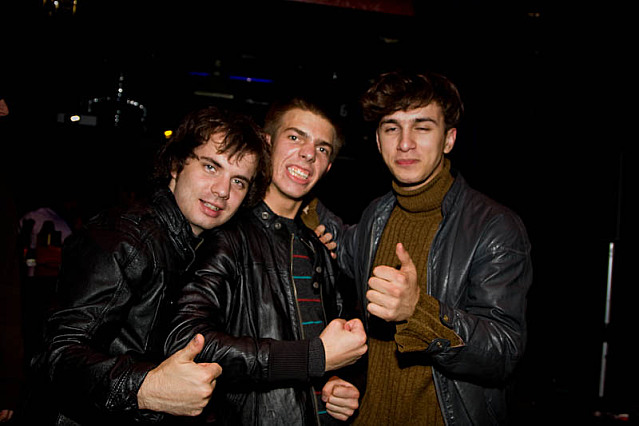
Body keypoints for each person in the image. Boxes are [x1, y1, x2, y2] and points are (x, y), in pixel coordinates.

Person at [28, 106, 272, 425]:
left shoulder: (197, 248)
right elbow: (55, 358)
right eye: (211, 167)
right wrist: (146, 388)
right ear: (176, 165)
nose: (223, 191)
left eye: (238, 181)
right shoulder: (126, 239)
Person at [317, 70, 533, 425]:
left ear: (449, 139)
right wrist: (287, 183)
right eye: (392, 128)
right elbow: (339, 240)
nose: (405, 143)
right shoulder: (376, 215)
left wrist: (418, 312)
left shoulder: (494, 226)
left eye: (422, 127)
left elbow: (503, 352)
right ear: (378, 141)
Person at [164, 95, 368, 425]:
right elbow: (186, 341)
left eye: (322, 148)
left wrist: (340, 383)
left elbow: (339, 348)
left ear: (328, 167)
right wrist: (313, 358)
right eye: (295, 137)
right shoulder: (226, 235)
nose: (308, 153)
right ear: (267, 144)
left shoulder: (320, 248)